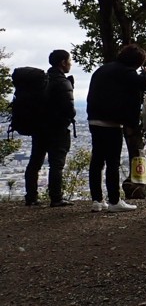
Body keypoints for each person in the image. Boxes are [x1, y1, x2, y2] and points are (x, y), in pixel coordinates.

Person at [86, 44, 146, 213]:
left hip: (94, 119)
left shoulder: (102, 70)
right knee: (112, 162)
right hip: (112, 123)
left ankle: (97, 200)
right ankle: (114, 200)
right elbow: (145, 84)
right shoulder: (126, 72)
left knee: (97, 161)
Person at [24, 50, 76, 207]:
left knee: (35, 162)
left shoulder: (41, 81)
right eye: (69, 60)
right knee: (56, 164)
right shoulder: (62, 82)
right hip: (57, 129)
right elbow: (69, 108)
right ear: (62, 62)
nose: (70, 64)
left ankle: (31, 197)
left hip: (39, 128)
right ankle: (56, 197)